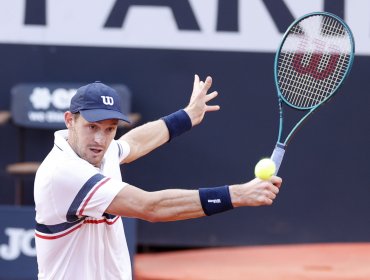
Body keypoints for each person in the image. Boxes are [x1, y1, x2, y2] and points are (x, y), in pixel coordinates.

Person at [34, 75, 282, 280]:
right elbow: (150, 206)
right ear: (70, 120)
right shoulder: (63, 173)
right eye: (92, 127)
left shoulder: (100, 151)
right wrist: (238, 194)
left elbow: (133, 143)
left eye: (109, 129)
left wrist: (187, 116)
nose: (101, 139)